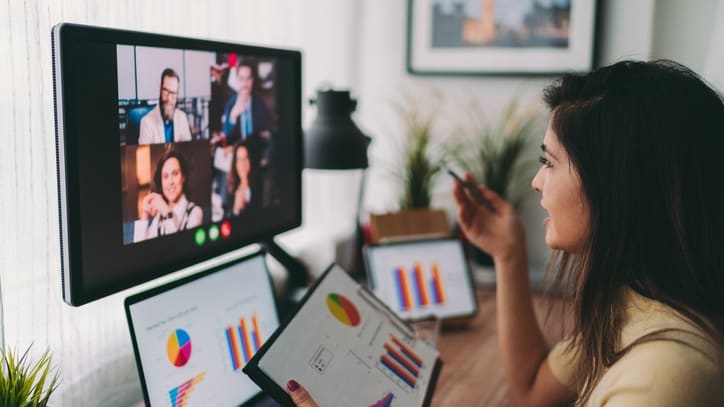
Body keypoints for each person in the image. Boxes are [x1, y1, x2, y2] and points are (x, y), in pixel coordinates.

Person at [285, 60, 724, 406]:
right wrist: (508, 253)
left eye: (549, 162)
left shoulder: (666, 374)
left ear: (615, 187)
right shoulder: (632, 307)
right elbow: (533, 391)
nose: (536, 182)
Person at [134, 150, 202, 241]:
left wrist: (166, 212)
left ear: (183, 178)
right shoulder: (159, 216)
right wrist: (145, 215)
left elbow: (181, 247)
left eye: (175, 174)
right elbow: (139, 250)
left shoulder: (195, 212)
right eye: (165, 176)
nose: (170, 182)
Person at [139, 68, 192, 144]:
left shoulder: (182, 117)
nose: (169, 98)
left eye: (173, 93)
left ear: (177, 94)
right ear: (160, 88)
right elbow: (144, 155)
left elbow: (188, 150)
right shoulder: (146, 123)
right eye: (166, 91)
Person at [225, 142, 258, 215]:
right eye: (239, 160)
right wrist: (236, 209)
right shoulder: (231, 189)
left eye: (245, 158)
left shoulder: (261, 185)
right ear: (235, 163)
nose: (242, 164)